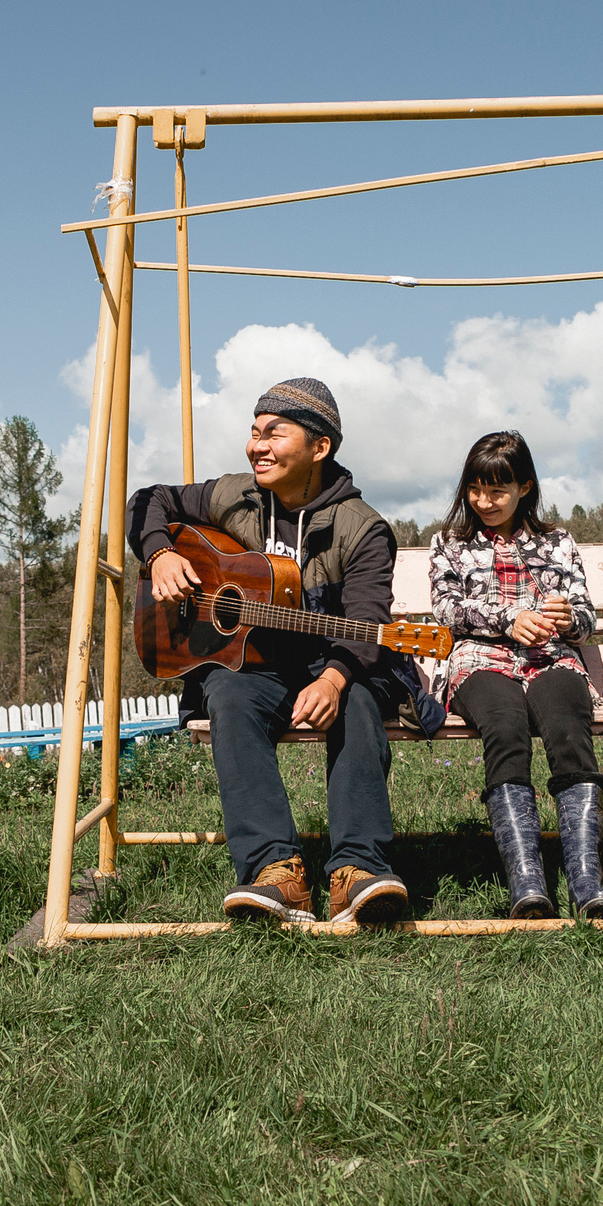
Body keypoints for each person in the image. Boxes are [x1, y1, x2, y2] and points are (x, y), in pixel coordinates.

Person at [129, 378, 414, 926]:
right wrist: (160, 553)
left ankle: (358, 869)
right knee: (228, 696)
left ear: (320, 447)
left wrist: (333, 677)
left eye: (273, 434)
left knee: (354, 702)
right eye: (253, 432)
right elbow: (147, 500)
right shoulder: (235, 494)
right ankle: (273, 872)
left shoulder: (363, 529)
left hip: (332, 661)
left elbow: (366, 620)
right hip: (252, 663)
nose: (256, 446)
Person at [427, 431, 603, 920]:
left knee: (568, 728)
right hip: (481, 661)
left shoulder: (556, 542)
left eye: (497, 491)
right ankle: (527, 881)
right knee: (505, 728)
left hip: (551, 658)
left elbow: (585, 616)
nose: (484, 502)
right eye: (475, 489)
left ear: (525, 487)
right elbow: (447, 611)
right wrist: (507, 618)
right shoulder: (449, 544)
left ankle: (586, 878)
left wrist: (566, 617)